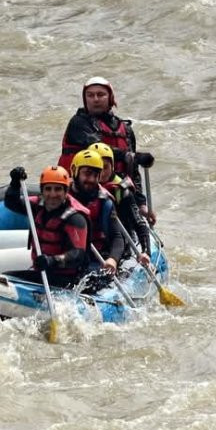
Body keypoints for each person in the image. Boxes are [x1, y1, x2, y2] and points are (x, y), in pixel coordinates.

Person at [57, 76, 157, 225]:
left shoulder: (126, 130)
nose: (95, 99)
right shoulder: (78, 123)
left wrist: (141, 205)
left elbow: (133, 172)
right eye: (90, 95)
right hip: (80, 193)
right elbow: (99, 149)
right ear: (85, 100)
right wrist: (132, 156)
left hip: (118, 194)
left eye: (100, 94)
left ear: (110, 98)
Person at [3, 165, 89, 289]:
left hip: (68, 280)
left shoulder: (75, 218)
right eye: (48, 189)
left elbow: (77, 255)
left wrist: (51, 261)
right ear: (42, 191)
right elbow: (11, 202)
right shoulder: (37, 206)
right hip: (42, 272)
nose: (52, 194)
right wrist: (15, 183)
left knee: (8, 280)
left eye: (58, 189)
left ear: (66, 191)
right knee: (5, 279)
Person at [87, 143, 152, 268]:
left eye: (105, 167)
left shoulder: (121, 191)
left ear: (112, 167)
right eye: (96, 169)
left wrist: (145, 252)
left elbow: (139, 223)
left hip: (121, 243)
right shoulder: (82, 188)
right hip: (92, 245)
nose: (101, 173)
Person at [67, 149, 126, 278]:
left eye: (96, 175)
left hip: (94, 258)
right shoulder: (59, 193)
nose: (92, 179)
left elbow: (117, 237)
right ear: (74, 170)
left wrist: (113, 260)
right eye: (87, 174)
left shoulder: (104, 202)